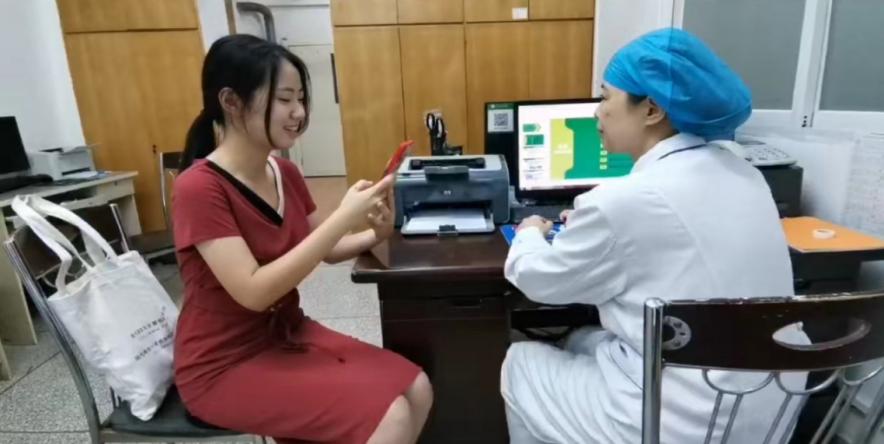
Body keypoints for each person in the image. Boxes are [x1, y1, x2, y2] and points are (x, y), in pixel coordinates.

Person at [500, 28, 807, 443]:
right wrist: (594, 227)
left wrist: (529, 233)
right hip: (768, 410)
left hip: (683, 424)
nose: (597, 113)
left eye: (605, 98)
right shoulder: (746, 174)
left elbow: (541, 282)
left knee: (521, 362)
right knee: (582, 340)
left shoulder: (623, 200)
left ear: (651, 109)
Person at [171, 34, 432, 444]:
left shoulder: (285, 173)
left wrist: (374, 232)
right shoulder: (199, 188)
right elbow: (254, 291)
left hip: (288, 332)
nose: (299, 112)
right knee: (391, 418)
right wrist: (343, 216)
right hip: (222, 363)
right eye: (284, 99)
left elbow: (326, 250)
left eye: (301, 99)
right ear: (231, 101)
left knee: (418, 387)